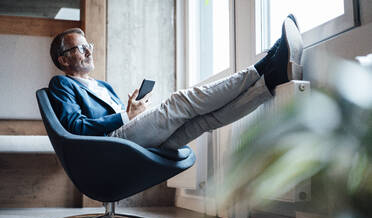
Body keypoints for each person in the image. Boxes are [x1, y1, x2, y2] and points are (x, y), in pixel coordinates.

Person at [48, 14, 303, 150]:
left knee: (204, 121)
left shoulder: (103, 86)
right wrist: (126, 116)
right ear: (64, 60)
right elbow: (75, 127)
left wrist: (133, 112)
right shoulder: (62, 84)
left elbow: (125, 116)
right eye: (81, 49)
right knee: (179, 102)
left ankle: (269, 81)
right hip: (110, 144)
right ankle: (262, 66)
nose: (89, 51)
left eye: (88, 45)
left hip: (131, 136)